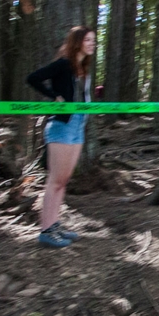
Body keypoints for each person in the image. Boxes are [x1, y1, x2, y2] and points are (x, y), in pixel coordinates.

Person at [26, 26, 96, 249]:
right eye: (88, 40)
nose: (92, 44)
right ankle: (46, 230)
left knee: (63, 181)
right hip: (62, 126)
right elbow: (33, 78)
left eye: (93, 40)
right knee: (55, 181)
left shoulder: (83, 68)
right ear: (77, 42)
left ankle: (54, 224)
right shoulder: (64, 63)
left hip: (78, 125)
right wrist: (53, 96)